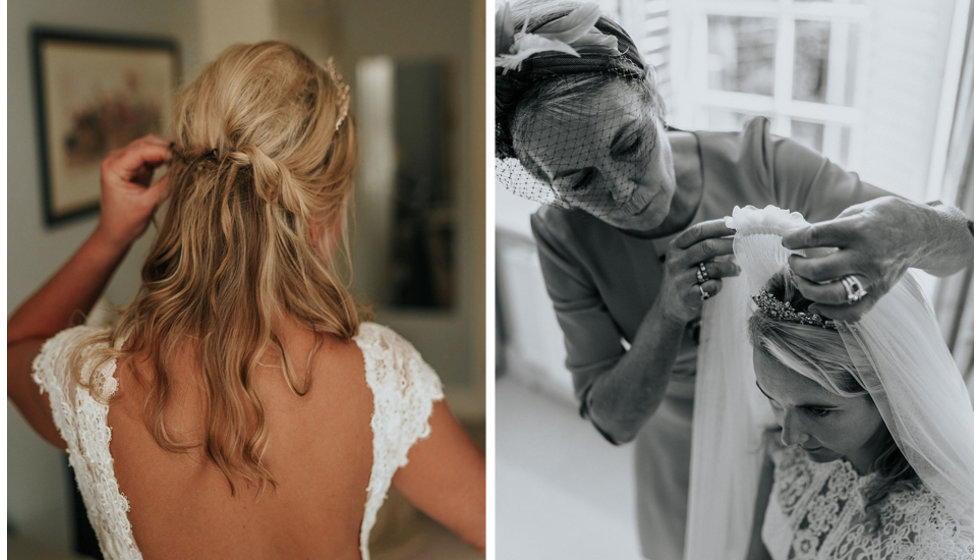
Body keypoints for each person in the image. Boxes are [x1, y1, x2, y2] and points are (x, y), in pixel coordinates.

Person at [494, 2, 973, 558]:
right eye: (578, 180)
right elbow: (611, 420)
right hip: (684, 456)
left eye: (630, 146)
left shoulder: (764, 164)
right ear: (540, 178)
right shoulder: (563, 236)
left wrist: (912, 230)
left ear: (654, 98)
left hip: (816, 448)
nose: (623, 192)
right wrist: (665, 315)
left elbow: (961, 244)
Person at [8, 41, 485, 560]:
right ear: (322, 214)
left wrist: (111, 234)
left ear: (187, 190)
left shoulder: (94, 381)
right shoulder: (383, 375)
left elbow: (16, 345)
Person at [737, 208, 973, 559]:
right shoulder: (787, 454)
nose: (789, 435)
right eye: (774, 399)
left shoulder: (936, 539)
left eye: (817, 410)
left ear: (886, 389)